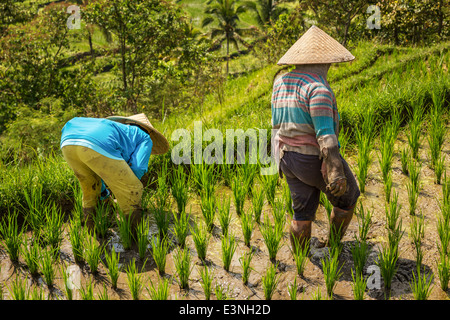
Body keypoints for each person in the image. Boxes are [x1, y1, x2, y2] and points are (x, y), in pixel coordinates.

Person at [272, 25, 361, 253]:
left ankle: (301, 261)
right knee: (348, 198)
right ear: (327, 61)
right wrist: (335, 172)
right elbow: (326, 138)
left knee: (301, 214)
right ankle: (332, 245)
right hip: (311, 159)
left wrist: (277, 161)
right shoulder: (318, 88)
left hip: (287, 158)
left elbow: (276, 125)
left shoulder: (280, 83)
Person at [60, 113, 169, 234]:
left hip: (68, 140)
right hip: (97, 141)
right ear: (149, 131)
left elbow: (99, 169)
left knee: (90, 186)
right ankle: (134, 238)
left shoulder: (117, 130)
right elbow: (138, 168)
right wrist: (124, 187)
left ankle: (92, 233)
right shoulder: (144, 137)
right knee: (132, 188)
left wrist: (105, 194)